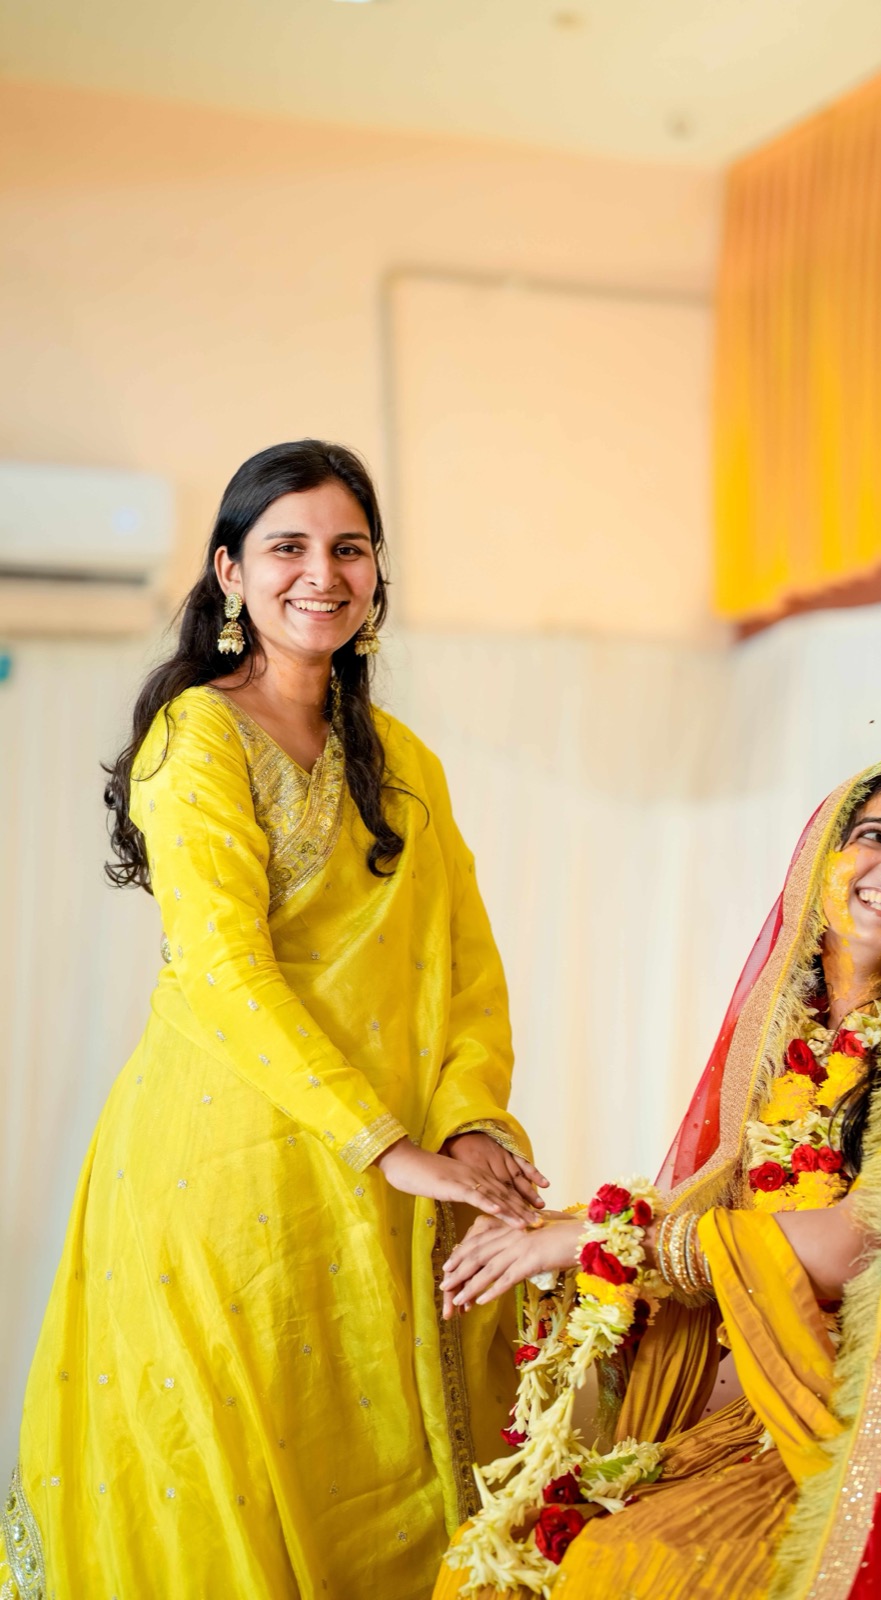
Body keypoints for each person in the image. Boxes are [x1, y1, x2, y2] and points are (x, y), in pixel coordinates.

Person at [0, 440, 547, 1600]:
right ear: (230, 574)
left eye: (349, 546)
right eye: (287, 545)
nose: (322, 572)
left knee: (397, 1484)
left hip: (395, 1186)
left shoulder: (406, 765)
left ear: (376, 573)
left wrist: (468, 1130)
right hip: (228, 1180)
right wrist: (388, 1146)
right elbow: (220, 974)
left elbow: (467, 972)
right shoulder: (197, 736)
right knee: (236, 1485)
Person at [435, 747, 881, 1599]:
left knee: (631, 1568)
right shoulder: (784, 1018)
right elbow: (725, 1201)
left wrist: (597, 1243)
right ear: (821, 859)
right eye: (874, 836)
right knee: (499, 1549)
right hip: (754, 1394)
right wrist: (560, 1231)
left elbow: (864, 1245)